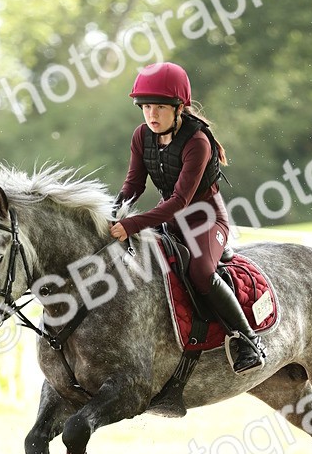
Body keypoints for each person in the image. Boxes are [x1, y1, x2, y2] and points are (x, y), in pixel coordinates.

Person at [110, 61, 266, 373]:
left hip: (206, 221)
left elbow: (180, 201)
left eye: (159, 108)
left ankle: (248, 340)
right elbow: (133, 186)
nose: (151, 115)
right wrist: (110, 217)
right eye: (146, 107)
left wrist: (129, 225)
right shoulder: (142, 137)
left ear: (179, 107)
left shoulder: (198, 142)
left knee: (200, 271)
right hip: (169, 221)